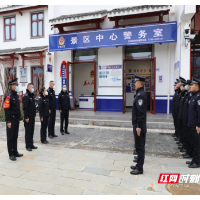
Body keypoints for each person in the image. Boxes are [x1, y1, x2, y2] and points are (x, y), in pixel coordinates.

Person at [130, 75, 147, 175]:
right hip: (137, 124)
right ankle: (138, 165)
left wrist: (139, 127)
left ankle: (140, 168)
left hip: (139, 125)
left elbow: (141, 113)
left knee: (140, 147)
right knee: (138, 145)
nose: (134, 84)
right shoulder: (139, 94)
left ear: (139, 83)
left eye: (136, 82)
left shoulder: (141, 95)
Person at [3, 78, 23, 161]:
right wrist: (8, 121)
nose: (17, 87)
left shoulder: (16, 95)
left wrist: (19, 117)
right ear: (11, 86)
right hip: (11, 120)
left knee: (15, 136)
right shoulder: (8, 96)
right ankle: (11, 154)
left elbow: (18, 108)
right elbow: (6, 109)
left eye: (17, 85)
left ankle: (15, 151)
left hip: (16, 120)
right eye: (15, 85)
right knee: (10, 137)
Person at [187, 77, 200, 168]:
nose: (190, 86)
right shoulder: (193, 96)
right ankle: (194, 159)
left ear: (197, 86)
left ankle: (197, 161)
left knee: (197, 144)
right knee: (193, 143)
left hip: (196, 125)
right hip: (191, 124)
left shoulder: (199, 97)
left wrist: (199, 125)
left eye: (192, 85)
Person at [22, 83, 37, 151]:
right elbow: (25, 108)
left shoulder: (31, 95)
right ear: (28, 88)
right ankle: (28, 145)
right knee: (28, 132)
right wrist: (26, 117)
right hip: (28, 118)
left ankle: (31, 144)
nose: (33, 88)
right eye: (32, 87)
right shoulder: (26, 96)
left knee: (31, 131)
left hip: (32, 116)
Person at [181, 80, 193, 160]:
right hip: (186, 119)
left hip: (192, 122)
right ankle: (188, 151)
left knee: (192, 140)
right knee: (187, 136)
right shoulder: (186, 94)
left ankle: (194, 158)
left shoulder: (194, 96)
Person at [177, 79, 187, 152]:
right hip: (181, 115)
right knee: (182, 131)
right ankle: (183, 144)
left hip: (187, 118)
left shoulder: (188, 95)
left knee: (187, 134)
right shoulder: (182, 94)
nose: (180, 86)